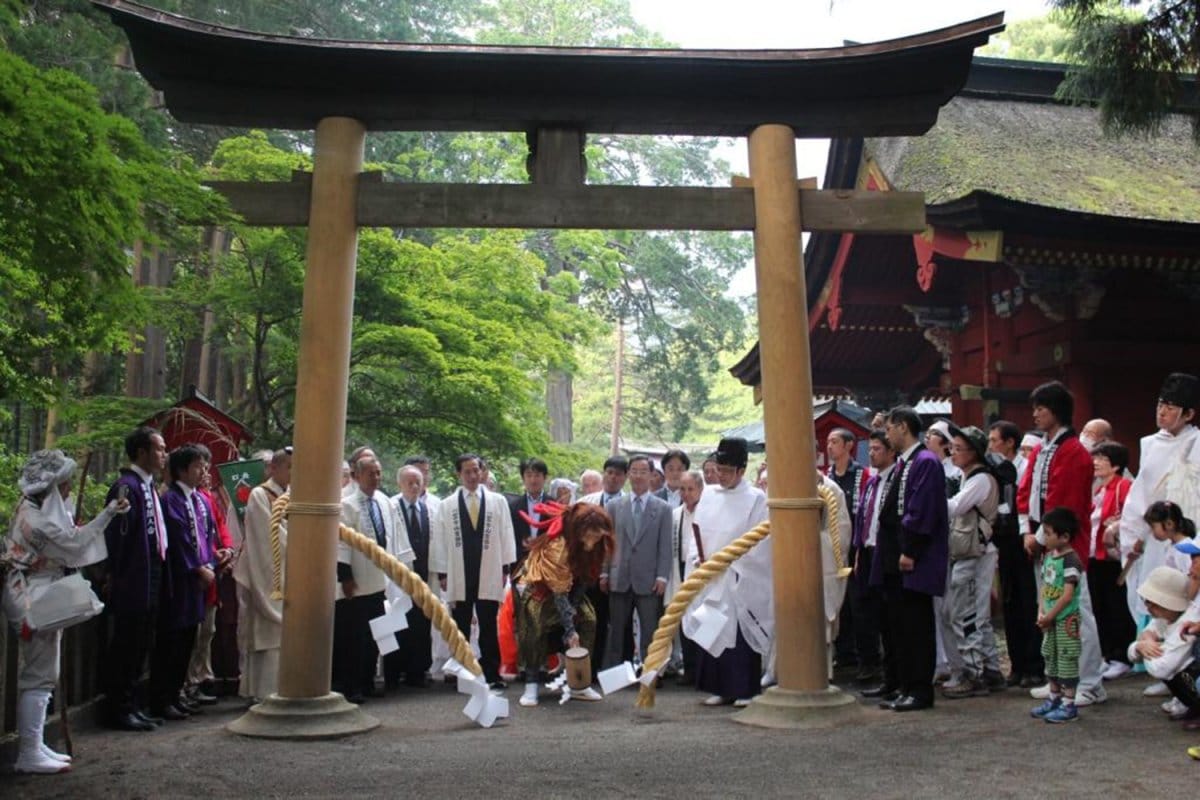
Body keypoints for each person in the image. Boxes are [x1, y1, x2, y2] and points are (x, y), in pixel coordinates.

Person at [4, 450, 129, 772]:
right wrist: (108, 515)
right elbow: (73, 544)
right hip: (32, 596)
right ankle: (28, 752)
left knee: (45, 673)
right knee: (38, 674)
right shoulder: (38, 520)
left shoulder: (34, 509)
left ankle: (35, 745)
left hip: (41, 590)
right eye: (65, 483)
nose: (70, 488)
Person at [1017, 381, 1107, 707]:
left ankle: (1090, 682)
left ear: (1057, 410)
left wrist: (1039, 537)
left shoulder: (1073, 453)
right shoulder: (1042, 449)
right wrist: (1027, 530)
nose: (1036, 413)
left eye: (1042, 407)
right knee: (1050, 613)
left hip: (1066, 544)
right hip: (1043, 540)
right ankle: (1058, 679)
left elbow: (1065, 505)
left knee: (1076, 613)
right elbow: (1025, 491)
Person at [869, 407, 949, 712]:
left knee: (916, 625)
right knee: (899, 624)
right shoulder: (907, 463)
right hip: (893, 554)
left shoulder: (925, 462)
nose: (887, 434)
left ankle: (919, 688)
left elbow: (922, 510)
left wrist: (911, 550)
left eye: (889, 428)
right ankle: (903, 684)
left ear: (903, 427)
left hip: (913, 555)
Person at [687, 437, 769, 707]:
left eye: (727, 471)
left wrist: (733, 564)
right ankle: (719, 687)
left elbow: (761, 541)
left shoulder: (756, 498)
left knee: (740, 632)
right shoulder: (708, 494)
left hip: (740, 575)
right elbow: (695, 533)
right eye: (718, 469)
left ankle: (745, 689)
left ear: (742, 470)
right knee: (714, 629)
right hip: (712, 574)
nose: (721, 476)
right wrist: (699, 560)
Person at [1119, 373, 1200, 632]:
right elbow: (1141, 494)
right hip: (1155, 535)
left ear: (1188, 414)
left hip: (1190, 532)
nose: (1162, 412)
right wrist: (1133, 531)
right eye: (1160, 405)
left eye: (1170, 407)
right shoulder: (1150, 444)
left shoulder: (1197, 443)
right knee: (1156, 587)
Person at [515, 502, 616, 706]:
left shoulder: (597, 544)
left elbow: (586, 579)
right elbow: (558, 592)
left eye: (598, 536)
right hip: (540, 588)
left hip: (570, 588)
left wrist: (575, 606)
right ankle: (532, 683)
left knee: (589, 618)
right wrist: (570, 631)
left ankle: (579, 683)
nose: (595, 540)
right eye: (592, 535)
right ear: (579, 531)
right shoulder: (558, 547)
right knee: (535, 623)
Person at [102, 426, 169, 731]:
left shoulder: (149, 486)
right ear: (141, 452)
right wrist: (114, 573)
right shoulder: (125, 487)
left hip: (151, 571)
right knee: (127, 644)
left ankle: (132, 704)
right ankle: (119, 708)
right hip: (132, 576)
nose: (164, 455)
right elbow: (117, 536)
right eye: (159, 449)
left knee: (142, 642)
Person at [431, 453, 517, 689]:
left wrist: (505, 568)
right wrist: (442, 573)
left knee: (489, 623)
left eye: (475, 470)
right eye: (466, 471)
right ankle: (463, 673)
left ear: (482, 472)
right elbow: (439, 540)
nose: (472, 475)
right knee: (460, 625)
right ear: (459, 474)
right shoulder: (447, 505)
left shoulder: (497, 501)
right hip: (459, 570)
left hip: (488, 569)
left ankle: (492, 674)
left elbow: (506, 534)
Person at [336, 455, 413, 703]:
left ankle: (368, 681)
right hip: (358, 581)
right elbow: (343, 544)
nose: (376, 478)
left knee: (375, 635)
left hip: (382, 580)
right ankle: (353, 685)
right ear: (357, 476)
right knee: (355, 637)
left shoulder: (384, 502)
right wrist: (345, 576)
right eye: (371, 473)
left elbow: (394, 537)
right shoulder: (347, 505)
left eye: (379, 473)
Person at [153, 444, 217, 721]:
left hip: (199, 581)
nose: (203, 471)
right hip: (180, 581)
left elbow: (207, 535)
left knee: (189, 639)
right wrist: (197, 568)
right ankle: (162, 698)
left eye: (204, 466)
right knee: (172, 641)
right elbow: (178, 540)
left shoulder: (199, 500)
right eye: (197, 466)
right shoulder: (171, 500)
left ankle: (176, 694)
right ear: (181, 470)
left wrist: (214, 560)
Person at [941, 425, 1002, 698]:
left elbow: (955, 507)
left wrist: (930, 498)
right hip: (972, 551)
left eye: (958, 449)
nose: (952, 453)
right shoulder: (970, 477)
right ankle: (990, 669)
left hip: (974, 553)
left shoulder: (980, 480)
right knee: (977, 614)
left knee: (966, 614)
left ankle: (974, 674)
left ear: (973, 452)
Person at [600, 455, 673, 670]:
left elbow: (665, 547)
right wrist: (604, 572)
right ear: (628, 474)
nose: (638, 475)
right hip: (619, 575)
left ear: (652, 475)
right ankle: (616, 672)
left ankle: (651, 672)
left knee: (650, 629)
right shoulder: (614, 506)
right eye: (634, 471)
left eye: (643, 471)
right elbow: (607, 543)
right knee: (617, 630)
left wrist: (662, 576)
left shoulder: (663, 509)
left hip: (649, 578)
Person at [233, 446, 291, 702]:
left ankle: (287, 688)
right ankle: (262, 692)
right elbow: (267, 537)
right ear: (273, 468)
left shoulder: (293, 495)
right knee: (266, 635)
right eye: (289, 466)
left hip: (292, 572)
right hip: (266, 572)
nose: (294, 472)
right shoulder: (260, 495)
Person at [988, 420, 1043, 688]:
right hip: (1004, 543)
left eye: (995, 440)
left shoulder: (1024, 469)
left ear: (1009, 442)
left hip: (1024, 541)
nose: (991, 446)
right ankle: (1017, 664)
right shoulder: (995, 471)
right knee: (1010, 604)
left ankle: (1034, 664)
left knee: (1028, 602)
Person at [1030, 507, 1085, 724]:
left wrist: (1051, 615)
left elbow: (1067, 595)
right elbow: (1044, 587)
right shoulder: (1049, 558)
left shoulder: (1071, 560)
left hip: (1065, 620)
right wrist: (1041, 612)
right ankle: (1054, 697)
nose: (1045, 537)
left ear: (1064, 537)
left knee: (1066, 659)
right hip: (1050, 619)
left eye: (1048, 533)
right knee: (1050, 657)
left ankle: (1069, 704)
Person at [1089, 441, 1136, 681]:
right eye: (1095, 458)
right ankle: (1109, 654)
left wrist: (1116, 525)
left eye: (1102, 459)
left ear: (1116, 465)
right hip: (1095, 556)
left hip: (1113, 558)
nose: (1095, 462)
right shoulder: (1098, 490)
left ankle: (1121, 655)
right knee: (1100, 606)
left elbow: (1133, 516)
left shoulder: (1123, 486)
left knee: (1116, 606)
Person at [826, 428, 871, 677]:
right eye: (828, 442)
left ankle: (865, 658)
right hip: (832, 548)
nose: (830, 446)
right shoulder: (827, 477)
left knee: (858, 603)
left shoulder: (861, 476)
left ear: (849, 445)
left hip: (855, 547)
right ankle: (842, 655)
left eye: (835, 442)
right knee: (836, 602)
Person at [854, 430, 894, 692]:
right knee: (866, 611)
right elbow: (861, 518)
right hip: (867, 551)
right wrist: (858, 549)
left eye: (878, 448)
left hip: (885, 551)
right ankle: (877, 669)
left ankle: (893, 676)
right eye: (871, 448)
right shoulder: (871, 481)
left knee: (889, 616)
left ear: (891, 452)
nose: (872, 453)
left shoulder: (895, 481)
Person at [391, 465, 435, 688]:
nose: (414, 486)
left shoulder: (428, 509)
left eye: (418, 482)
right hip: (399, 578)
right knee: (398, 623)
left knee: (421, 624)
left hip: (424, 576)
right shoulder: (391, 506)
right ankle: (394, 672)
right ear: (400, 484)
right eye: (409, 482)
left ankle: (418, 671)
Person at [671, 470, 705, 682]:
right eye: (682, 489)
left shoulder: (708, 512)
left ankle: (703, 671)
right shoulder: (676, 514)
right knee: (684, 621)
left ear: (700, 489)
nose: (686, 493)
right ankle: (690, 670)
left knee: (702, 620)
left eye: (690, 489)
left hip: (701, 571)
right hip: (680, 568)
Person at [509, 457, 549, 571]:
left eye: (537, 475)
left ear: (544, 477)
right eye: (529, 475)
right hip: (520, 564)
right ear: (523, 478)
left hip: (547, 564)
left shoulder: (553, 505)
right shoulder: (512, 506)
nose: (533, 480)